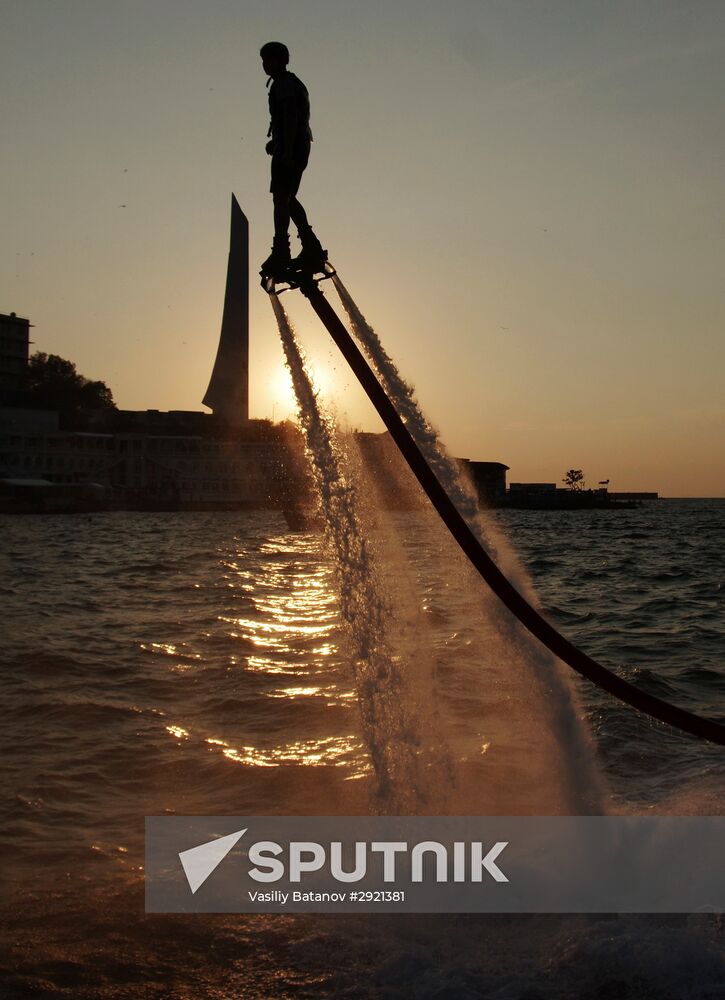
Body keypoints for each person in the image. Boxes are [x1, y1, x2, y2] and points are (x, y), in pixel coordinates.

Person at [259, 41, 326, 278]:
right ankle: (310, 244)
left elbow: (290, 117)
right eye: (263, 60)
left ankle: (282, 250)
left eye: (270, 59)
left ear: (282, 60)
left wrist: (285, 149)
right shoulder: (292, 83)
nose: (265, 65)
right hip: (297, 145)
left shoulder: (285, 84)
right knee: (287, 198)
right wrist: (276, 142)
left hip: (292, 147)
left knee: (281, 198)